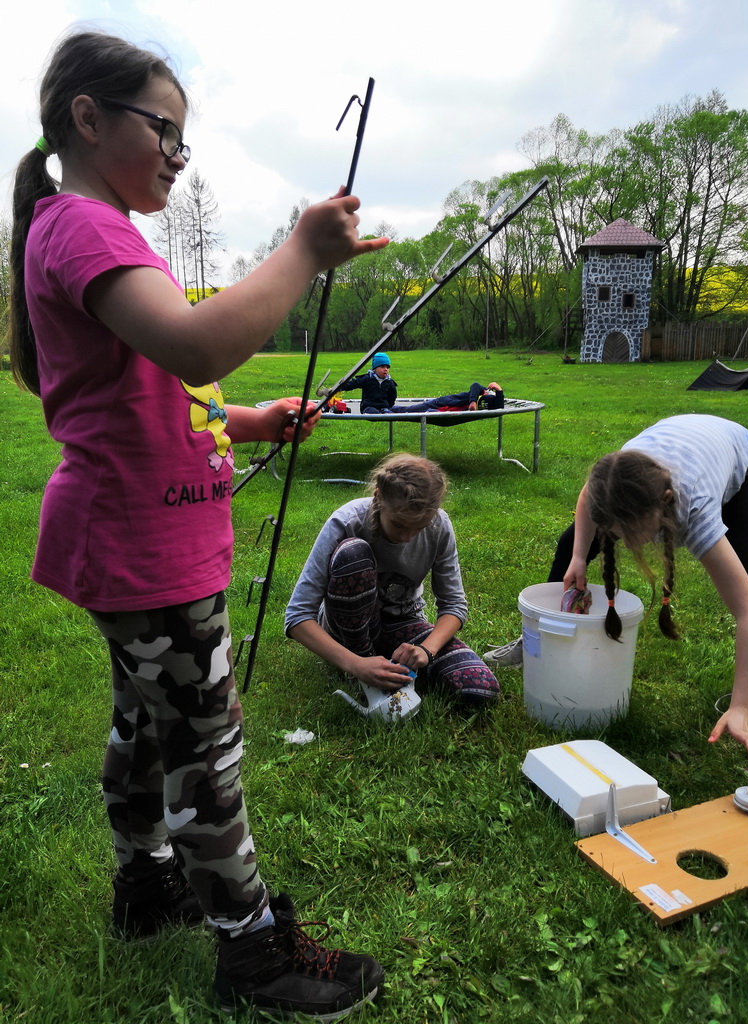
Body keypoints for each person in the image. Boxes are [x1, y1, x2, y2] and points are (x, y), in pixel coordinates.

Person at [9, 29, 388, 1019]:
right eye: (164, 130)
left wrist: (250, 421)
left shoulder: (94, 230)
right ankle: (252, 951)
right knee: (204, 744)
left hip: (138, 539)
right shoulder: (82, 227)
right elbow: (192, 343)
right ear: (88, 119)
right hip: (145, 549)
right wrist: (302, 249)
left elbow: (157, 386)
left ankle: (146, 885)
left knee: (148, 723)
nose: (179, 154)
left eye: (186, 138)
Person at [490, 414, 748, 764]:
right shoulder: (611, 478)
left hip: (742, 458)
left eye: (631, 531)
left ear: (664, 502)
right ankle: (538, 639)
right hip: (679, 443)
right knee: (570, 542)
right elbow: (589, 495)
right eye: (614, 530)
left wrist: (740, 706)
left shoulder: (694, 509)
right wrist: (578, 556)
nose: (624, 540)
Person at [285, 453, 500, 707]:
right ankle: (362, 667)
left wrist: (426, 650)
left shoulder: (440, 526)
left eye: (420, 527)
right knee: (353, 554)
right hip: (345, 627)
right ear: (378, 497)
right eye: (399, 525)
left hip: (403, 623)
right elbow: (297, 616)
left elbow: (454, 605)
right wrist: (356, 664)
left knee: (480, 689)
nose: (408, 537)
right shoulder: (346, 521)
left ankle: (384, 663)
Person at [392, 381, 505, 414]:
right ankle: (387, 409)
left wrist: (499, 390)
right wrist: (473, 402)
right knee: (410, 410)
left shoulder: (494, 403)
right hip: (441, 403)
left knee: (425, 412)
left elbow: (500, 408)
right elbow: (475, 385)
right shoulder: (483, 392)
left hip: (444, 412)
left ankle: (388, 409)